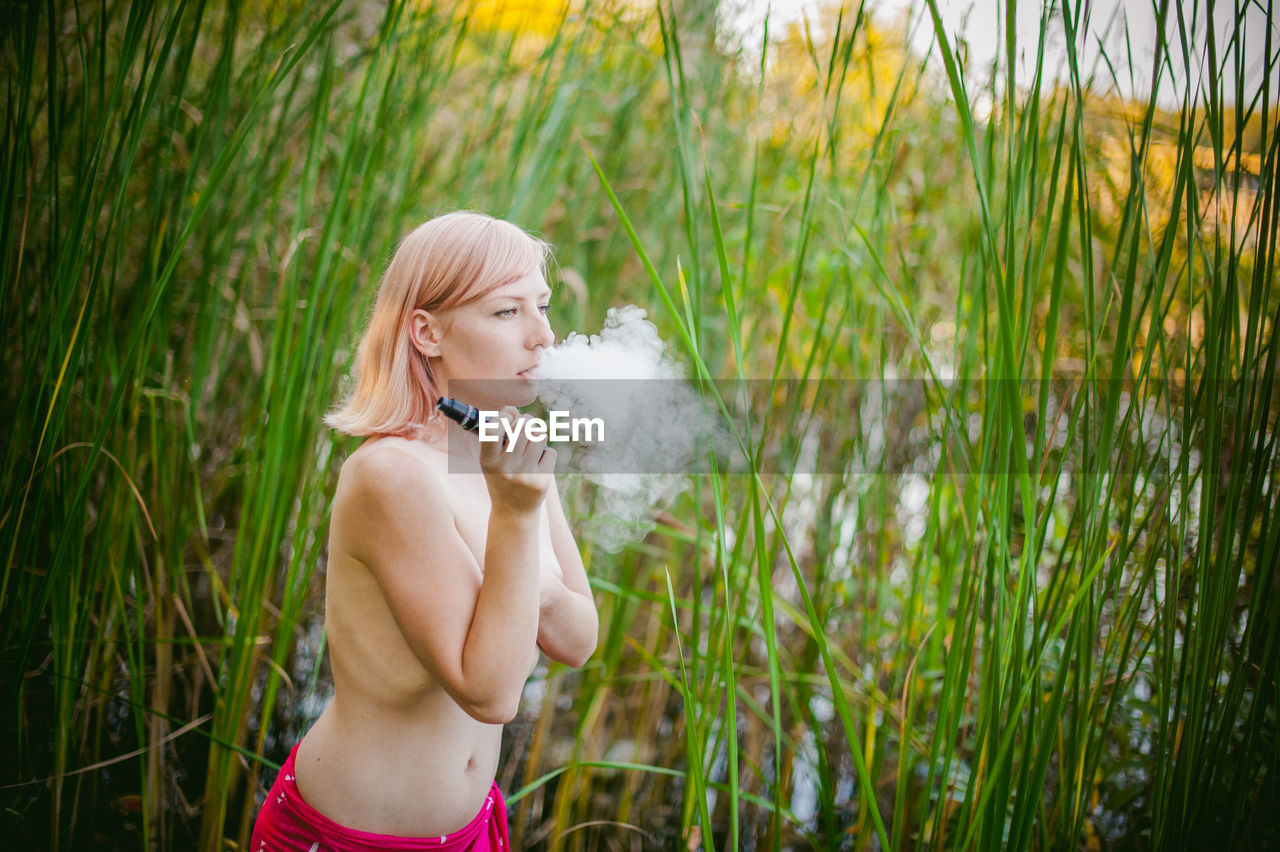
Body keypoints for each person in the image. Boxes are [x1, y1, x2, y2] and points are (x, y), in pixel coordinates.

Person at [249, 211, 599, 851]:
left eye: (542, 307)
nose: (544, 336)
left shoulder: (510, 445)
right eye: (506, 312)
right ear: (426, 332)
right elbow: (491, 694)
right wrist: (517, 521)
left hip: (470, 828)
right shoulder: (392, 476)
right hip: (353, 837)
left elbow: (578, 640)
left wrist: (534, 591)